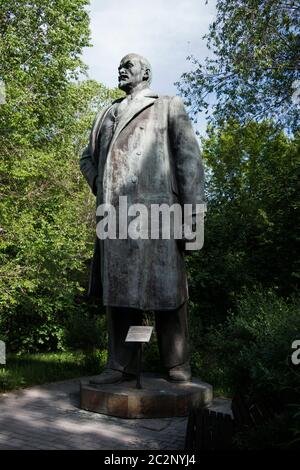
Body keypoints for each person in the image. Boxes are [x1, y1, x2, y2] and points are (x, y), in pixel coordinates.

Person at [80, 53, 205, 384]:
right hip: (115, 215)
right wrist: (102, 184)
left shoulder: (166, 105)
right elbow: (86, 158)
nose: (122, 69)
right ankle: (121, 365)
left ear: (146, 72)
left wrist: (193, 221)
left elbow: (190, 162)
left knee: (168, 291)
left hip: (159, 213)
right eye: (119, 64)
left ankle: (177, 362)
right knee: (119, 294)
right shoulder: (105, 113)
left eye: (129, 64)